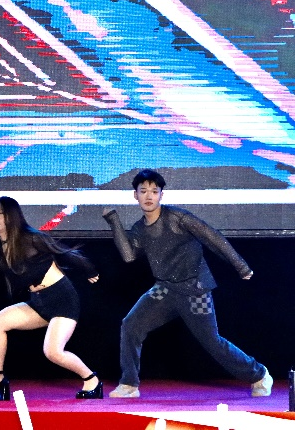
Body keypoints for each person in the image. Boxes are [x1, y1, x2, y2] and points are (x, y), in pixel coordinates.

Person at [102, 168, 273, 398]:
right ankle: (129, 384)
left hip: (195, 289)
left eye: (154, 191)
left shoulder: (177, 217)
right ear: (136, 195)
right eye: (143, 191)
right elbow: (129, 256)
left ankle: (260, 374)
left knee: (212, 342)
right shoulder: (139, 229)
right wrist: (113, 220)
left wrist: (240, 265)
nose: (149, 196)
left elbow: (212, 237)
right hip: (165, 289)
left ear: (161, 194)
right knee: (130, 325)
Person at [0, 196, 102, 401]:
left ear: (12, 216)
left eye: (1, 213)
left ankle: (92, 380)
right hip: (39, 302)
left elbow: (64, 253)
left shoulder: (31, 238)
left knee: (53, 352)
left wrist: (89, 270)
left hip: (62, 299)